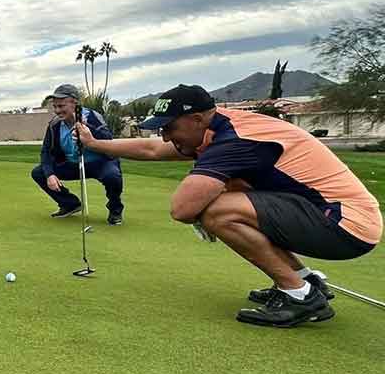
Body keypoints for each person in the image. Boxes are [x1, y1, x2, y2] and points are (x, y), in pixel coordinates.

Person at [76, 84, 381, 327]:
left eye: (169, 127)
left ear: (197, 119)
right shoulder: (219, 129)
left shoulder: (234, 139)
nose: (165, 135)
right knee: (224, 202)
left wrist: (199, 215)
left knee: (217, 211)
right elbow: (151, 149)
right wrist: (93, 144)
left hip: (345, 225)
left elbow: (182, 209)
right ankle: (304, 282)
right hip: (335, 217)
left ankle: (300, 297)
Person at [31, 84, 125, 225]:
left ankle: (115, 210)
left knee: (112, 176)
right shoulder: (54, 125)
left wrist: (89, 128)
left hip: (100, 163)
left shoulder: (93, 117)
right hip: (72, 164)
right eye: (55, 107)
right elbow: (46, 152)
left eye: (61, 106)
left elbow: (108, 141)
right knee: (39, 173)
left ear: (75, 103)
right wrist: (50, 174)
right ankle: (70, 204)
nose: (57, 110)